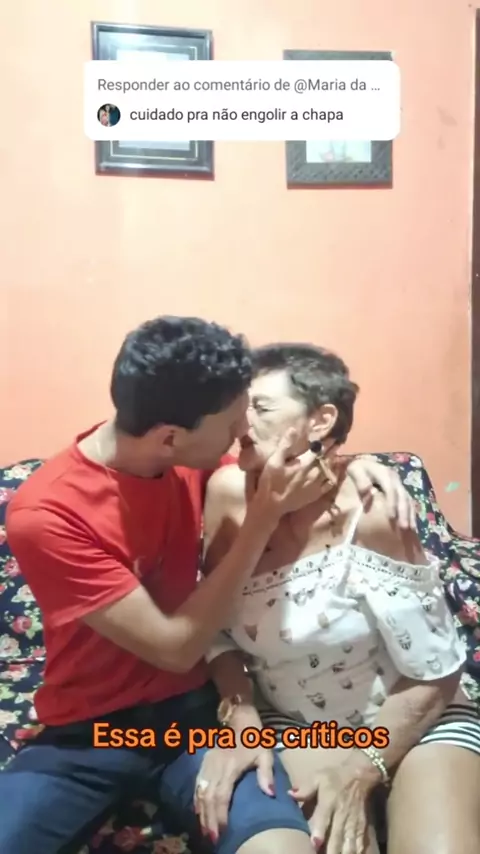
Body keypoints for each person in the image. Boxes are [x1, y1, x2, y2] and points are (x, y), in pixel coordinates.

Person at [1, 317, 416, 854]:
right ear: (170, 438)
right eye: (234, 421)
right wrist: (262, 521)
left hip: (195, 720)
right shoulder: (46, 513)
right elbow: (175, 647)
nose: (245, 429)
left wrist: (358, 467)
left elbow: (296, 463)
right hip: (90, 733)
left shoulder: (192, 456)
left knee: (280, 847)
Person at [198, 342, 480, 854]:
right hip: (301, 725)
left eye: (261, 407)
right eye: (240, 407)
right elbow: (213, 629)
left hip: (416, 714)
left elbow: (435, 669)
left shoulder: (373, 511)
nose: (242, 423)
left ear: (321, 420)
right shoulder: (226, 494)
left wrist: (362, 768)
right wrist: (241, 713)